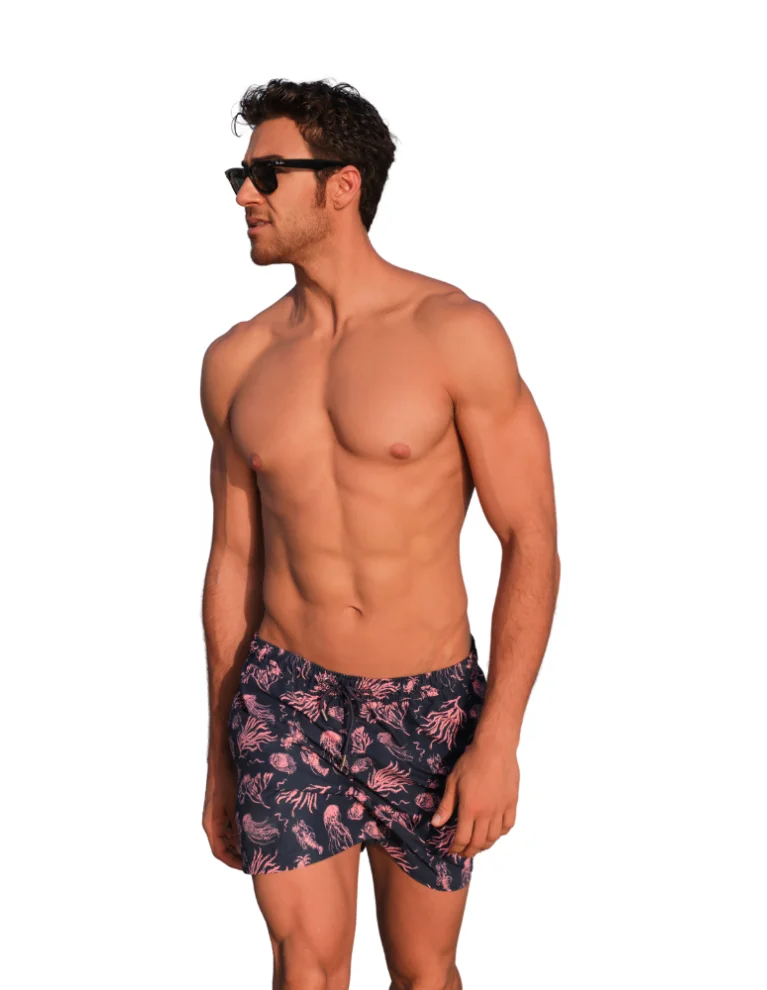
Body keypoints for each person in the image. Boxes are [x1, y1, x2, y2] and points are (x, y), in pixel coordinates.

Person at [200, 78, 560, 990]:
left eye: (267, 175)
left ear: (343, 185)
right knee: (305, 969)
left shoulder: (455, 333)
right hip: (285, 699)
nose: (244, 196)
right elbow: (233, 562)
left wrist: (499, 737)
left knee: (424, 972)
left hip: (427, 702)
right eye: (240, 176)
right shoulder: (237, 361)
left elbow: (530, 538)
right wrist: (218, 754)